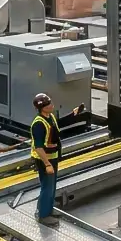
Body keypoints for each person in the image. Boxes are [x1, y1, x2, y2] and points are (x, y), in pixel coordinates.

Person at [30, 93, 82, 227]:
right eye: (48, 104)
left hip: (53, 157)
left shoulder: (50, 117)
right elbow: (38, 147)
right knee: (47, 187)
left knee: (52, 186)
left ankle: (48, 209)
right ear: (42, 108)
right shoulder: (38, 124)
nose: (52, 105)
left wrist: (73, 114)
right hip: (44, 160)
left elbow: (58, 126)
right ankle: (43, 215)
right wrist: (47, 164)